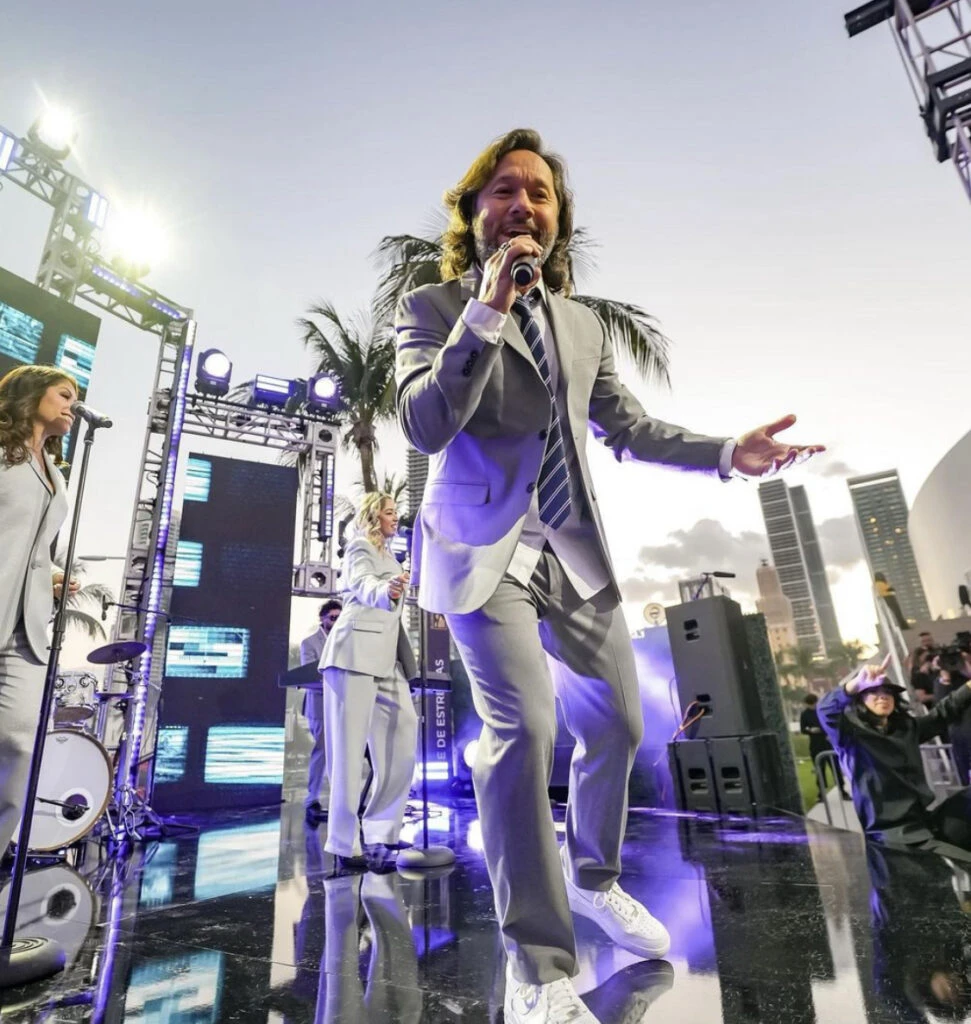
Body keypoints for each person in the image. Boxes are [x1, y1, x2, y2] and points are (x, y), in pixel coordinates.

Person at [394, 127, 824, 1024]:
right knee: (525, 730)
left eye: (539, 194)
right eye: (503, 191)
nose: (522, 205)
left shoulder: (581, 324)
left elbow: (625, 428)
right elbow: (426, 424)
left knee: (620, 725)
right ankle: (537, 967)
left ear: (558, 219)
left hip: (569, 547)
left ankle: (592, 878)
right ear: (474, 213)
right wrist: (484, 313)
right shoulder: (432, 307)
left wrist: (724, 453)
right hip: (480, 547)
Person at [0, 365, 79, 861]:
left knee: (19, 743)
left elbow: (37, 546)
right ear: (32, 395)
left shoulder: (54, 469)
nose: (72, 406)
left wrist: (50, 577)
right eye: (64, 394)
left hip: (26, 626)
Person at [320, 492, 418, 872]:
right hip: (353, 654)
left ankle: (382, 828)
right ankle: (344, 842)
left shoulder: (393, 556)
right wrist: (386, 590)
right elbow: (362, 583)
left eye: (395, 512)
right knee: (347, 752)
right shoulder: (360, 546)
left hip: (387, 659)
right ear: (375, 516)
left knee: (403, 732)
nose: (396, 517)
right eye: (390, 512)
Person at [818, 655, 971, 860]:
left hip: (926, 821)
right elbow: (826, 710)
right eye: (873, 692)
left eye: (888, 693)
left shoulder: (907, 729)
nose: (883, 696)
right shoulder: (851, 736)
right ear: (860, 700)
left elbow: (944, 711)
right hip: (891, 834)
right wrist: (855, 684)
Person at [300, 598, 343, 824]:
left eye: (339, 617)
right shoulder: (310, 643)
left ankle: (342, 800)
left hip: (343, 704)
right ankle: (311, 799)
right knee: (323, 750)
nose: (336, 622)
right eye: (332, 618)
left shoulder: (346, 641)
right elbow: (308, 674)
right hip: (319, 704)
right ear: (323, 619)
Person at [799, 693, 849, 800]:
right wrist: (810, 730)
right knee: (819, 769)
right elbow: (803, 729)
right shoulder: (805, 714)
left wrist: (826, 732)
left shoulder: (822, 711)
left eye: (813, 704)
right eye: (810, 705)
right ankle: (821, 793)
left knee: (835, 768)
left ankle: (842, 790)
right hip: (816, 744)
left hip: (828, 742)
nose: (812, 706)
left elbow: (832, 724)